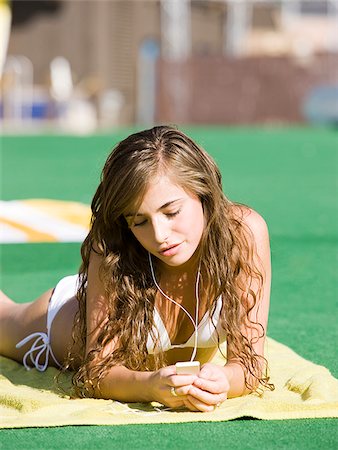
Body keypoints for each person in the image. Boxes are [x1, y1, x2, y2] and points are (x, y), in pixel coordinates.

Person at [0, 125, 273, 412]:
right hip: (64, 323)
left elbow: (247, 365)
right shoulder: (112, 251)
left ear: (203, 191)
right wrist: (149, 386)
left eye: (171, 212)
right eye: (139, 221)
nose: (159, 235)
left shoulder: (243, 235)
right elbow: (98, 374)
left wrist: (225, 380)